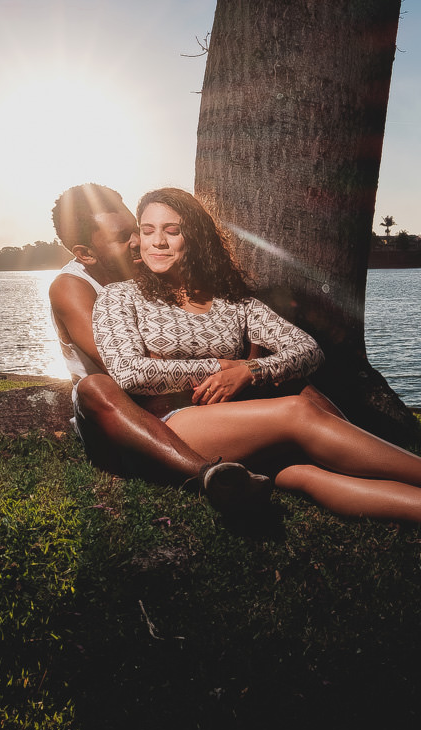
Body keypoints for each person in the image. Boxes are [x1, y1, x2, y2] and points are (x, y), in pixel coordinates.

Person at [91, 187, 421, 539]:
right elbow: (129, 372)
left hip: (242, 421)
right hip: (173, 424)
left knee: (305, 474)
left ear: (196, 235)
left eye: (170, 229)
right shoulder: (118, 297)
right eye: (148, 230)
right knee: (298, 410)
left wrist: (251, 370)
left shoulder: (234, 303)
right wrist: (218, 367)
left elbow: (307, 350)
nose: (156, 241)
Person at [49, 183, 287, 505]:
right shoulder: (72, 287)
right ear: (86, 254)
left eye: (136, 230)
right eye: (122, 239)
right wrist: (221, 361)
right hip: (125, 413)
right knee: (96, 386)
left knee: (280, 369)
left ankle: (326, 438)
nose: (138, 242)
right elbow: (122, 366)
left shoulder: (152, 269)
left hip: (185, 397)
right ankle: (208, 476)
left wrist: (242, 360)